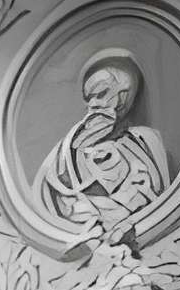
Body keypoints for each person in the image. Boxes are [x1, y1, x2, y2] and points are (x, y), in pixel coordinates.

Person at [33, 53, 169, 255]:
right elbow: (56, 188)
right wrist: (77, 146)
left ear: (124, 97)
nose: (93, 104)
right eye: (89, 99)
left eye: (102, 94)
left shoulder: (144, 140)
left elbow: (155, 191)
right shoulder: (71, 146)